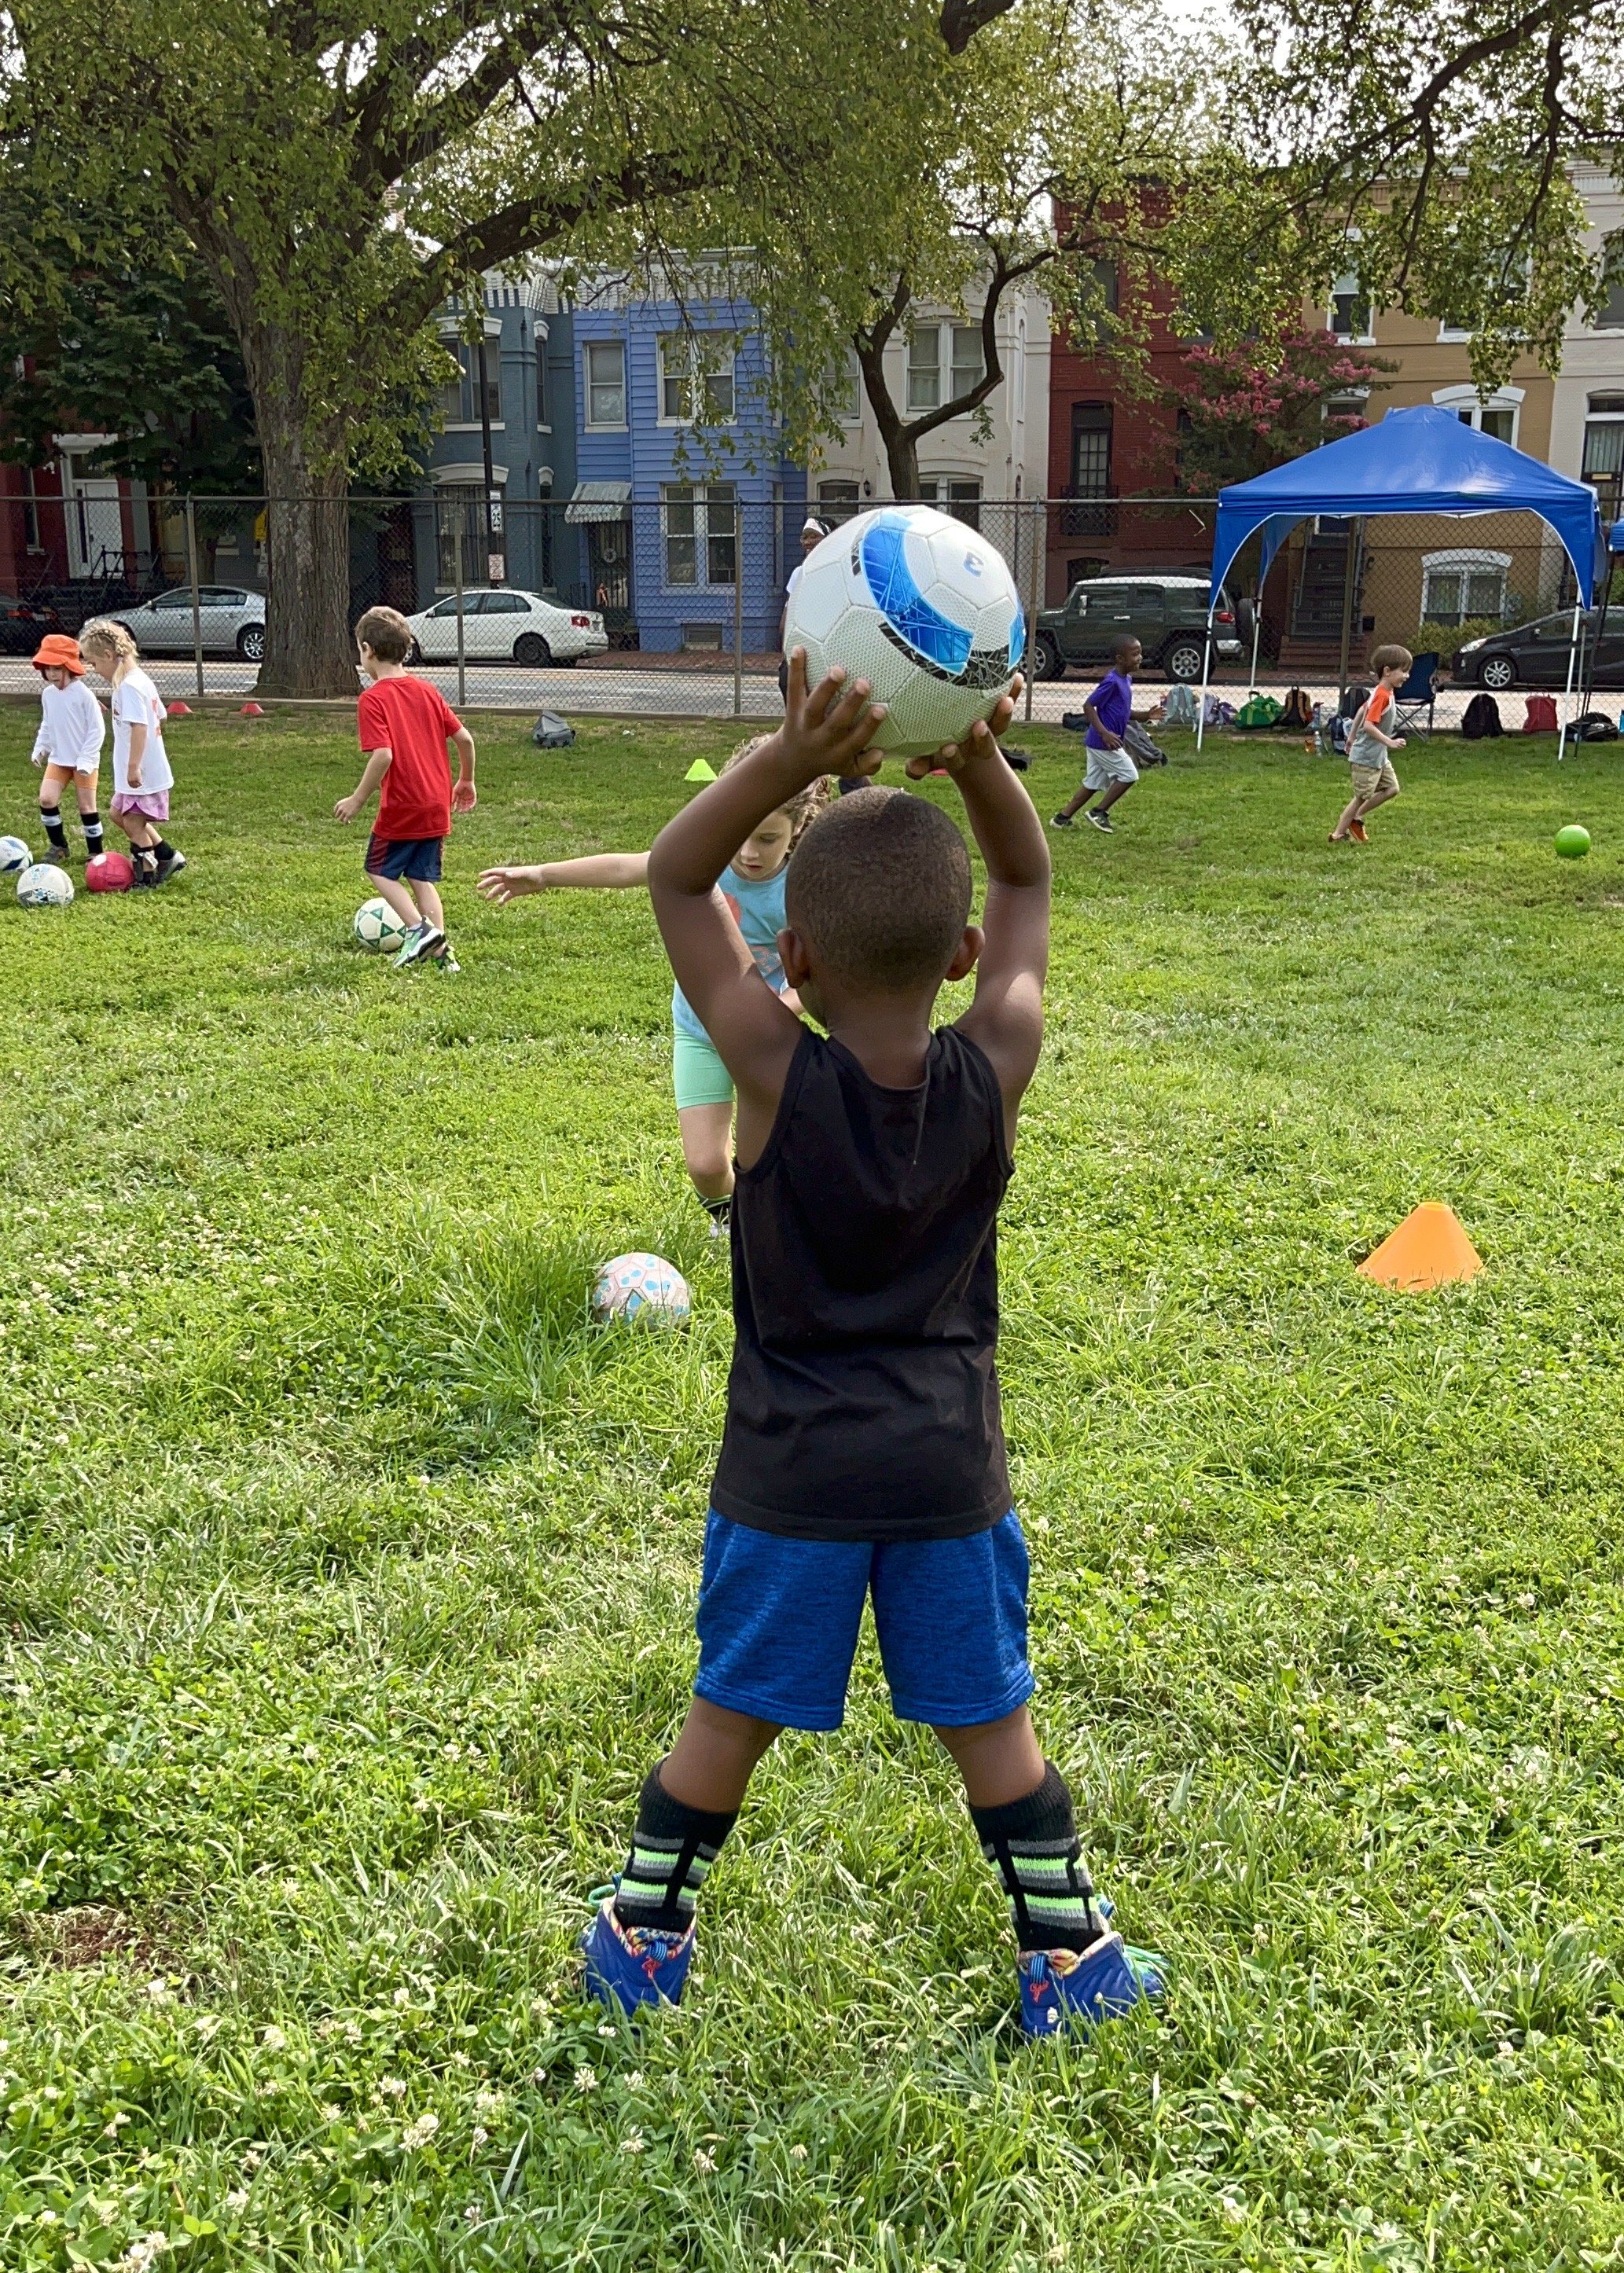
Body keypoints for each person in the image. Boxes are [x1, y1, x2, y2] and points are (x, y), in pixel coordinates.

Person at [579, 651, 1166, 2041]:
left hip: (789, 1477)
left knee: (732, 1710)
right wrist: (974, 759)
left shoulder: (771, 1069)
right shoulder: (999, 1054)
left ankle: (644, 1930)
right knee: (993, 1725)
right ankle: (1068, 1957)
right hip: (948, 1474)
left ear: (793, 962)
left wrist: (789, 754)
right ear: (960, 959)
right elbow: (1026, 886)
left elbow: (676, 877)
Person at [476, 739, 828, 1229]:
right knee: (706, 1167)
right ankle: (733, 1223)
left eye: (767, 840)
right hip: (701, 1029)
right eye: (740, 835)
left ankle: (780, 1235)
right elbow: (630, 866)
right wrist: (542, 874)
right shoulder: (703, 858)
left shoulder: (804, 889)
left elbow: (823, 980)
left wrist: (777, 1009)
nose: (747, 853)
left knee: (774, 1158)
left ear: (797, 830)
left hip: (770, 1039)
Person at [336, 606, 477, 970]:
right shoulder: (427, 691)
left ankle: (417, 929)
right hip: (436, 803)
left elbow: (383, 755)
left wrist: (357, 798)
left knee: (379, 870)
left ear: (367, 650)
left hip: (403, 804)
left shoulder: (373, 699)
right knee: (421, 877)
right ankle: (444, 957)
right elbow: (465, 738)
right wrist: (466, 779)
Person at [79, 620, 186, 887]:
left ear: (108, 656)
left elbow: (141, 726)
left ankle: (146, 877)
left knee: (134, 825)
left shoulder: (130, 687)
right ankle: (167, 855)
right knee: (118, 815)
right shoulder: (138, 680)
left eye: (93, 663)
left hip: (142, 773)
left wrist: (134, 766)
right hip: (142, 771)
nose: (94, 670)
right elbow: (159, 714)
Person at [1050, 634, 1163, 834]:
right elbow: (1088, 706)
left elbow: (1123, 712)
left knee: (1092, 783)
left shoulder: (1126, 679)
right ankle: (1099, 812)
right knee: (1130, 775)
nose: (1140, 658)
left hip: (1098, 742)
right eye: (1135, 654)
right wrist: (1105, 734)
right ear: (1120, 659)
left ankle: (1061, 819)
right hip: (1104, 743)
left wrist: (1146, 715)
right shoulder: (1112, 681)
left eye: (1140, 653)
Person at [30, 633, 105, 866]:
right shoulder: (48, 695)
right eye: (47, 668)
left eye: (57, 668)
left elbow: (97, 730)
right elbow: (47, 723)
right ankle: (59, 845)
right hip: (59, 760)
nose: (51, 674)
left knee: (86, 807)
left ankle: (96, 853)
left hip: (84, 762)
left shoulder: (84, 695)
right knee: (46, 799)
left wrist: (85, 759)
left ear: (70, 667)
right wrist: (40, 747)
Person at [1330, 645, 1409, 844]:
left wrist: (1351, 736)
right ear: (1387, 671)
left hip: (1378, 757)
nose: (1407, 676)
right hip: (1366, 758)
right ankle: (1337, 834)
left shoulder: (1384, 693)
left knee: (1392, 789)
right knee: (1361, 796)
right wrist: (1389, 741)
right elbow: (1369, 724)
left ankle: (1356, 818)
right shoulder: (1381, 695)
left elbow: (1360, 711)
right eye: (1404, 671)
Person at [777, 516, 829, 707]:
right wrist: (785, 654)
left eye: (813, 536)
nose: (807, 542)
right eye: (804, 537)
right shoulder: (800, 572)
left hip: (826, 645)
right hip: (802, 645)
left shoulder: (837, 571)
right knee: (787, 680)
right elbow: (786, 619)